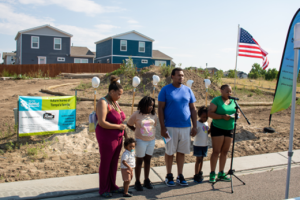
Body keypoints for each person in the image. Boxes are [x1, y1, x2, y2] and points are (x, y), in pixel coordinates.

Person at [158, 68, 197, 187]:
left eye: (183, 75)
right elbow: (160, 109)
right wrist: (163, 127)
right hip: (170, 127)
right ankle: (169, 175)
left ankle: (180, 175)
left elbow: (193, 109)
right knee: (169, 152)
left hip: (185, 127)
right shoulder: (165, 90)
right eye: (179, 75)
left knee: (181, 152)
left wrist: (195, 126)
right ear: (172, 76)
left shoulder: (188, 90)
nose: (181, 77)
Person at [95, 76, 128, 198]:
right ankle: (103, 189)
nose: (120, 96)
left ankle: (112, 186)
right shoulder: (103, 102)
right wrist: (118, 127)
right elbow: (102, 122)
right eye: (119, 94)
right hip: (106, 137)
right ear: (112, 92)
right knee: (106, 163)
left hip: (117, 137)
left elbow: (120, 118)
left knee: (113, 163)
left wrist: (120, 128)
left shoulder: (115, 102)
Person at [127, 96, 158, 191]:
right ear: (143, 105)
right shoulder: (136, 114)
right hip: (140, 140)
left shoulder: (153, 115)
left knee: (148, 160)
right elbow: (129, 124)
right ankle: (137, 182)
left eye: (152, 105)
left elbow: (154, 125)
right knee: (139, 161)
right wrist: (135, 130)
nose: (151, 107)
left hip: (151, 141)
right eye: (149, 105)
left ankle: (146, 180)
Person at [208, 84, 236, 183]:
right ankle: (212, 173)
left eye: (230, 91)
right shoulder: (216, 100)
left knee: (225, 152)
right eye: (227, 91)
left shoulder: (233, 101)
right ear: (221, 91)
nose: (229, 93)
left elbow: (238, 112)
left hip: (229, 129)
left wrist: (237, 115)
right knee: (216, 151)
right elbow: (210, 113)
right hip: (218, 128)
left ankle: (221, 173)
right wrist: (222, 117)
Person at [193, 106, 210, 183]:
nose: (205, 119)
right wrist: (193, 132)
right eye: (203, 117)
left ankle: (200, 172)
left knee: (202, 159)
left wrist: (211, 129)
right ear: (199, 115)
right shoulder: (196, 123)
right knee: (198, 159)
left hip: (205, 145)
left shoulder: (206, 123)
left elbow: (206, 132)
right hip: (198, 145)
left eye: (206, 117)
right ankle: (196, 174)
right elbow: (192, 133)